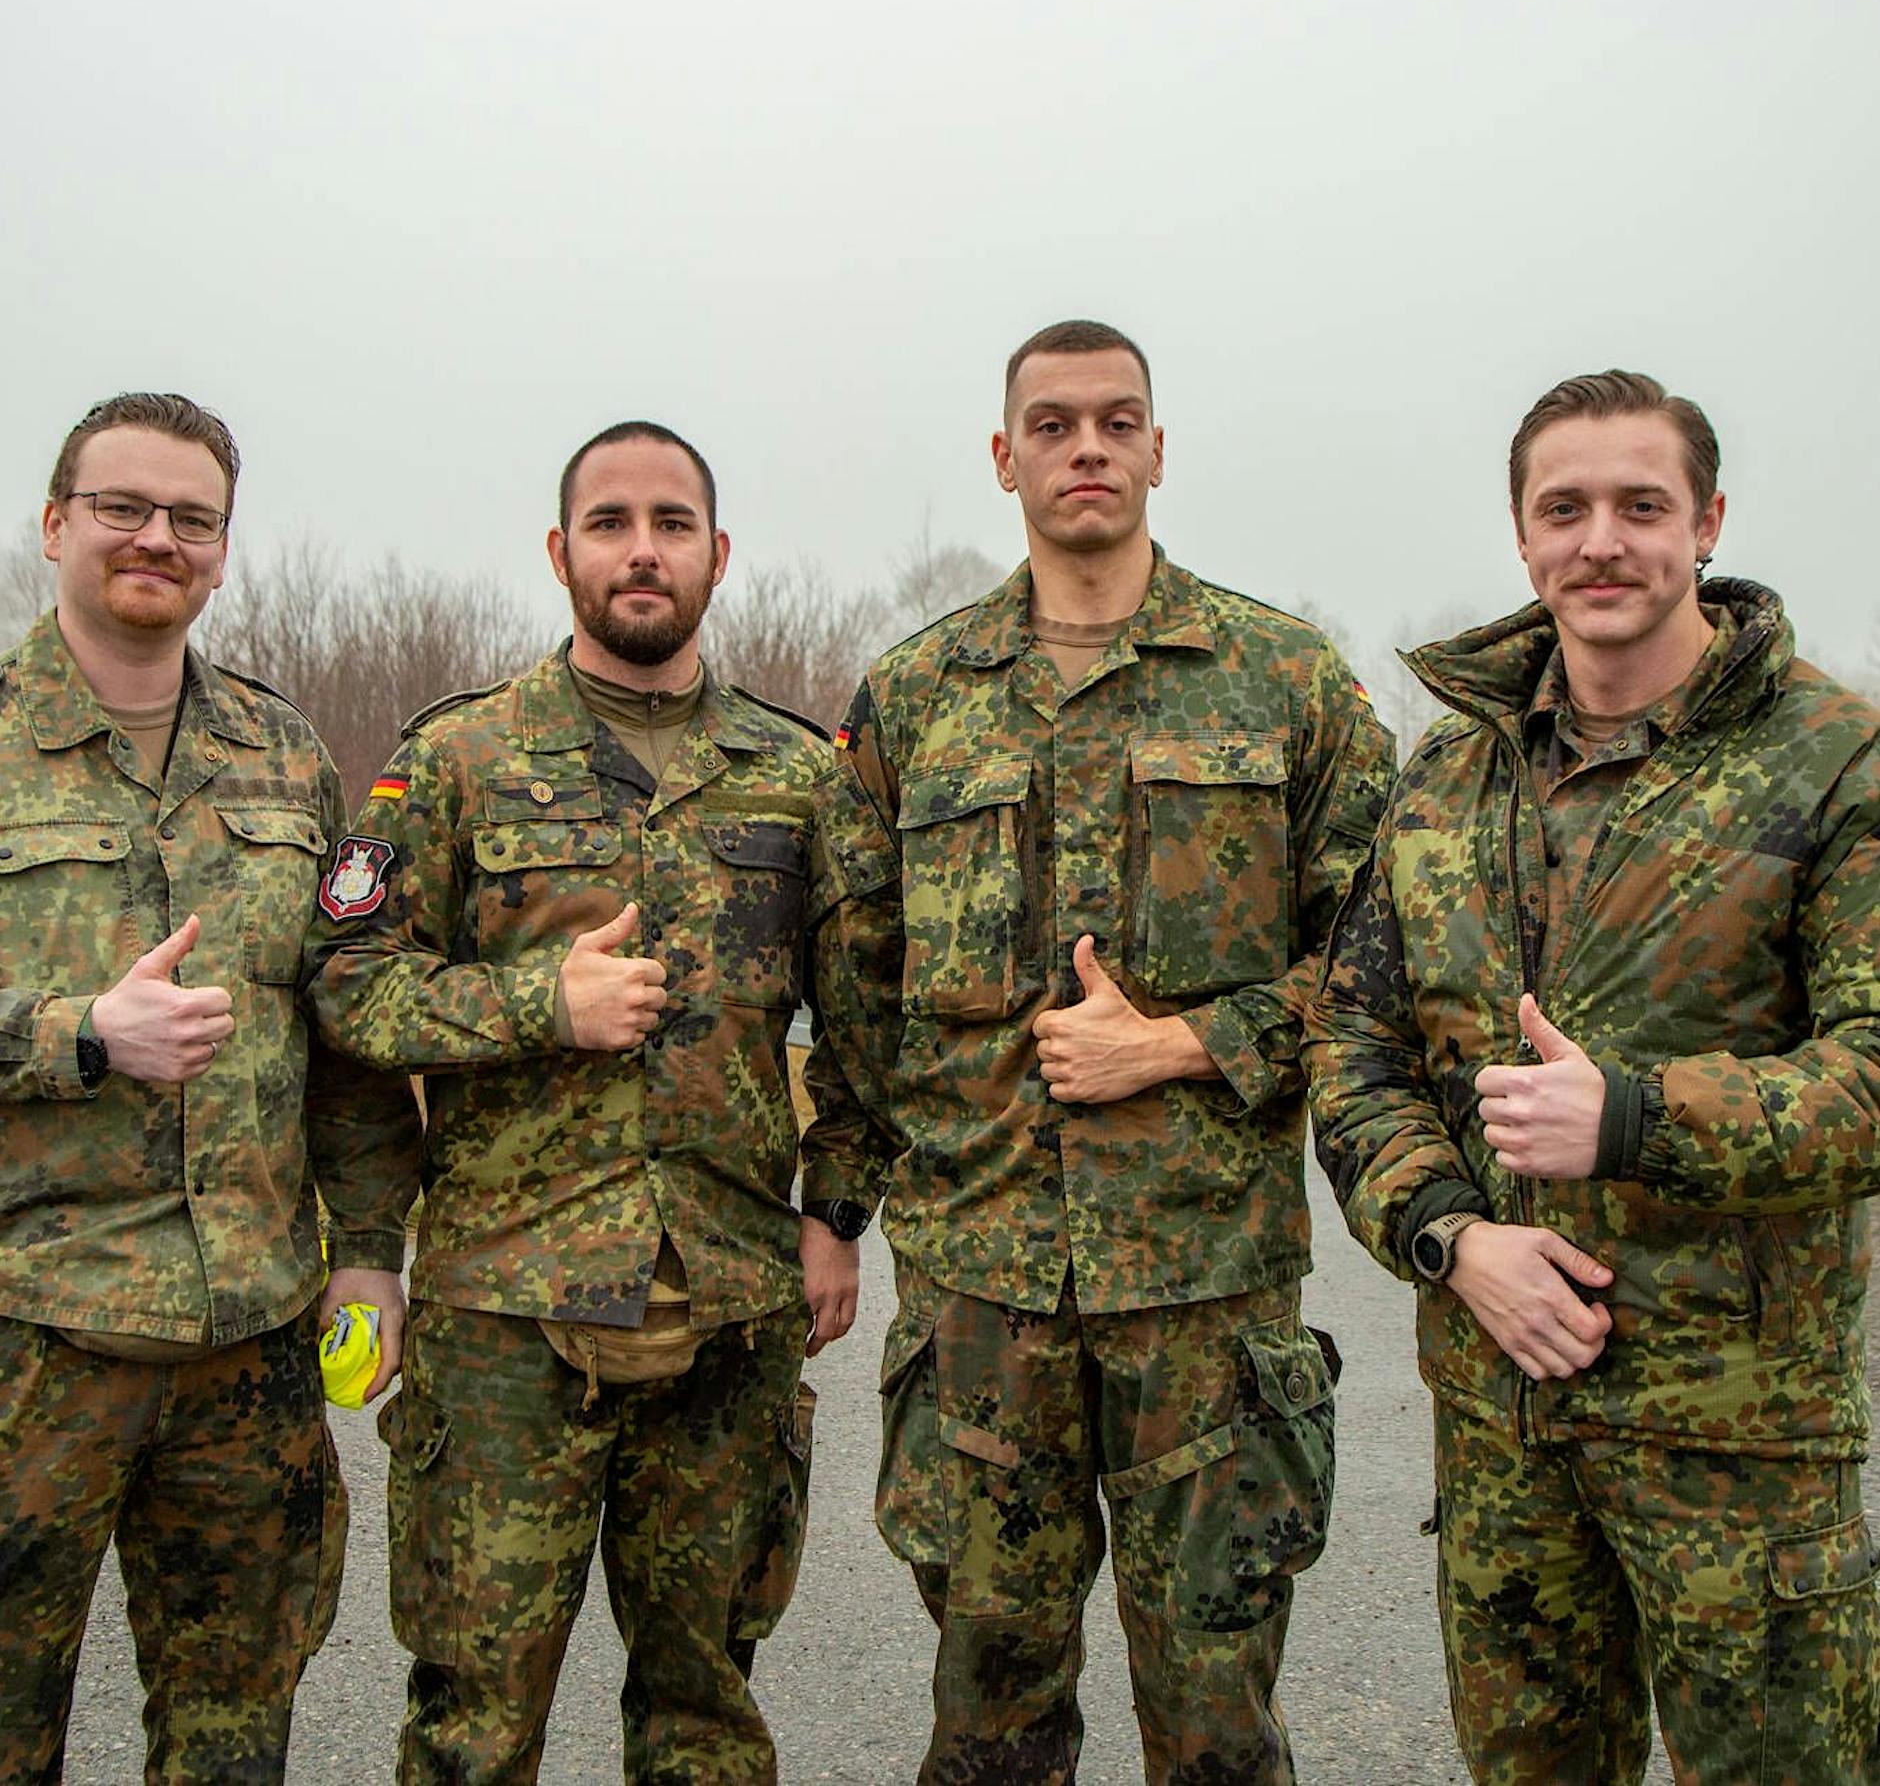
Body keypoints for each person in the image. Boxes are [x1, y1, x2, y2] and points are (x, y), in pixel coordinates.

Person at [822, 320, 1394, 1783]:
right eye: (1055, 422)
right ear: (1003, 456)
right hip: (981, 1297)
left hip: (1205, 1296)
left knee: (1216, 1727)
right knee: (989, 1724)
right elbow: (858, 990)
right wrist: (841, 1216)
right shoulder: (915, 697)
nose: (1088, 446)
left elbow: (1392, 969)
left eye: (1118, 420)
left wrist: (1190, 1044)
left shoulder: (1288, 683)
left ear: (1157, 448)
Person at [1304, 369, 1880, 1783]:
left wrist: (1636, 1117)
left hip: (1737, 1440)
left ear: (1708, 523)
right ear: (1523, 536)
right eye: (1565, 509)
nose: (1602, 542)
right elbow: (1354, 1045)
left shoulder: (1832, 760)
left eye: (1642, 505)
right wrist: (1454, 1237)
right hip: (1504, 1422)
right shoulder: (1450, 774)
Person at [304, 419, 886, 1783]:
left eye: (672, 524)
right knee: (471, 1729)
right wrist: (530, 1007)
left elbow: (866, 1017)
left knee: (705, 1723)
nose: (643, 550)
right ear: (563, 552)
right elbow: (346, 989)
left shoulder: (798, 775)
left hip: (730, 1312)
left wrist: (837, 1212)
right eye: (612, 523)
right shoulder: (457, 759)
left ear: (717, 555)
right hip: (506, 1321)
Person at [0, 392, 417, 1781]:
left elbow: (344, 1038)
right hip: (31, 1336)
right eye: (122, 506)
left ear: (225, 552)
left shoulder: (285, 756)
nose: (155, 538)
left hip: (250, 1345)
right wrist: (75, 1034)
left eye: (192, 517)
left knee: (236, 1738)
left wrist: (366, 1256)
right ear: (57, 524)